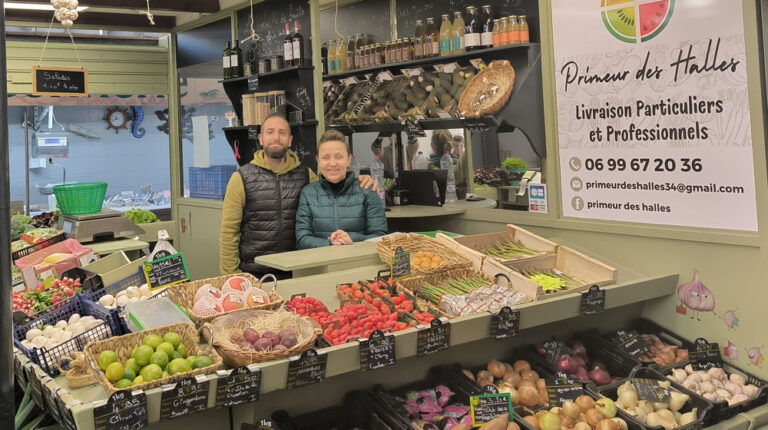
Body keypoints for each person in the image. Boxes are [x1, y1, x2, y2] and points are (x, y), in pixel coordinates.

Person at [219, 114, 375, 278]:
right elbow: (229, 232)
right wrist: (229, 277)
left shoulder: (306, 175)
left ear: (290, 140)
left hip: (297, 270)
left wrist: (360, 181)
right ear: (261, 139)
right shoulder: (241, 178)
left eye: (282, 133)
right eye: (270, 132)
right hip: (255, 272)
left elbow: (335, 187)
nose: (276, 138)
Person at [296, 130, 388, 249]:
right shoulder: (308, 193)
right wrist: (331, 243)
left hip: (358, 259)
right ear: (318, 160)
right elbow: (302, 239)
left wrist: (352, 239)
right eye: (326, 157)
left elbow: (380, 236)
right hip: (321, 260)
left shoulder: (366, 189)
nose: (332, 163)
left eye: (338, 157)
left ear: (348, 159)